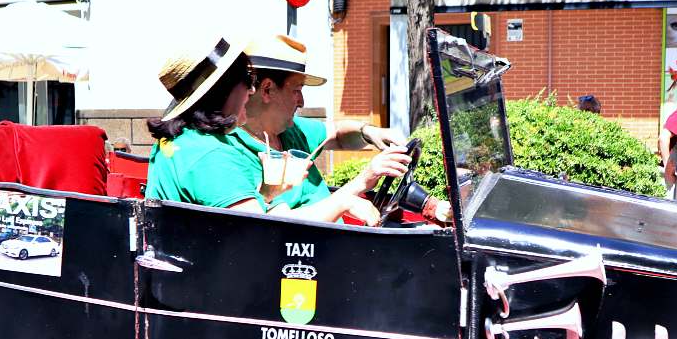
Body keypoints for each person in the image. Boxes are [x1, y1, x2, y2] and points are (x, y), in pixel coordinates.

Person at [145, 34, 380, 225]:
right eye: (247, 81)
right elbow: (263, 233)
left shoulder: (184, 140)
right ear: (224, 90)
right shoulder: (210, 155)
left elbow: (237, 212)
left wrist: (270, 193)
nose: (251, 91)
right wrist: (344, 201)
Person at [234, 33, 450, 223]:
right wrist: (363, 180)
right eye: (297, 90)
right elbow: (271, 230)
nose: (302, 102)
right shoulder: (231, 153)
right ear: (268, 90)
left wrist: (369, 132)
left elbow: (337, 134)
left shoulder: (291, 129)